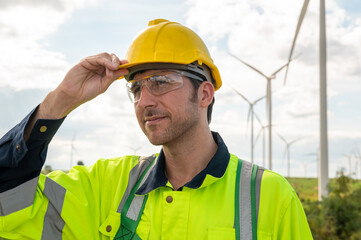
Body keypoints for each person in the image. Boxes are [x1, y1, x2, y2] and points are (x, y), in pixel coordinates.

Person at [0, 19, 313, 240]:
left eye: (161, 82)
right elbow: (11, 207)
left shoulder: (271, 197)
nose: (144, 101)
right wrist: (60, 101)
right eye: (136, 89)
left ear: (205, 94)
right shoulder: (107, 186)